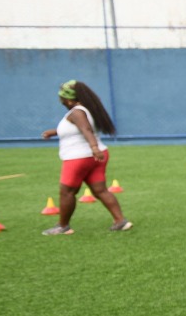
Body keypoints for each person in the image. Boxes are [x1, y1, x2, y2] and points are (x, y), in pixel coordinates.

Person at [39, 80, 132, 234]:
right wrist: (54, 132)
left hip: (79, 157)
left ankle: (63, 226)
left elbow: (86, 129)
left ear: (68, 99)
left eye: (61, 98)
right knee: (100, 190)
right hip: (95, 157)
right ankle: (120, 221)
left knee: (67, 192)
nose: (60, 101)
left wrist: (93, 147)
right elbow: (77, 128)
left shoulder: (77, 112)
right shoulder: (86, 110)